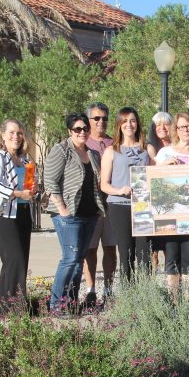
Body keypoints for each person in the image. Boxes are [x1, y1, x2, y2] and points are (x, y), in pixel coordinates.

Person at [45, 113, 105, 312]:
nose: (82, 132)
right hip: (68, 214)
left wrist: (98, 209)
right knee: (69, 259)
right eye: (77, 129)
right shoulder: (61, 150)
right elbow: (50, 181)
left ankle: (69, 303)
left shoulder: (92, 153)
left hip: (89, 214)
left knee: (79, 260)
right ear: (69, 131)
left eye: (85, 128)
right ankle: (56, 304)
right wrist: (62, 209)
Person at [155, 112, 189, 295]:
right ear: (175, 130)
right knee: (171, 257)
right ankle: (173, 300)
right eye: (182, 127)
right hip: (169, 216)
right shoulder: (165, 152)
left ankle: (188, 302)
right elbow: (152, 179)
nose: (186, 130)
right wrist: (163, 165)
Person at [0, 119, 37, 316]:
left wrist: (34, 193)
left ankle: (1, 307)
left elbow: (29, 187)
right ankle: (16, 307)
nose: (16, 136)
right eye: (12, 133)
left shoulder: (26, 160)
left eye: (19, 133)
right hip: (4, 213)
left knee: (18, 260)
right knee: (13, 258)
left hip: (24, 213)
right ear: (3, 136)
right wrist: (17, 194)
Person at [100, 107, 155, 281]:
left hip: (143, 206)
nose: (129, 124)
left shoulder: (147, 149)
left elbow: (156, 175)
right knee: (126, 252)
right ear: (119, 125)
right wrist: (119, 190)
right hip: (119, 205)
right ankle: (128, 297)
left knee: (144, 252)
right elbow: (103, 184)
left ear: (137, 123)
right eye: (125, 121)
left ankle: (146, 294)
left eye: (132, 120)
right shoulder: (112, 151)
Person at [82, 102, 118, 304]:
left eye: (104, 118)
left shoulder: (115, 143)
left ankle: (109, 289)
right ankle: (90, 289)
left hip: (112, 203)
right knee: (91, 249)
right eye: (96, 118)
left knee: (111, 248)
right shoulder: (82, 142)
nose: (101, 122)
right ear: (89, 120)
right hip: (91, 206)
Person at [147, 111, 173, 273]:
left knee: (170, 247)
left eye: (166, 124)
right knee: (154, 249)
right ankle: (153, 283)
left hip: (172, 201)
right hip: (155, 201)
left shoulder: (178, 146)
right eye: (158, 125)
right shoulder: (150, 148)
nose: (162, 128)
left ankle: (172, 281)